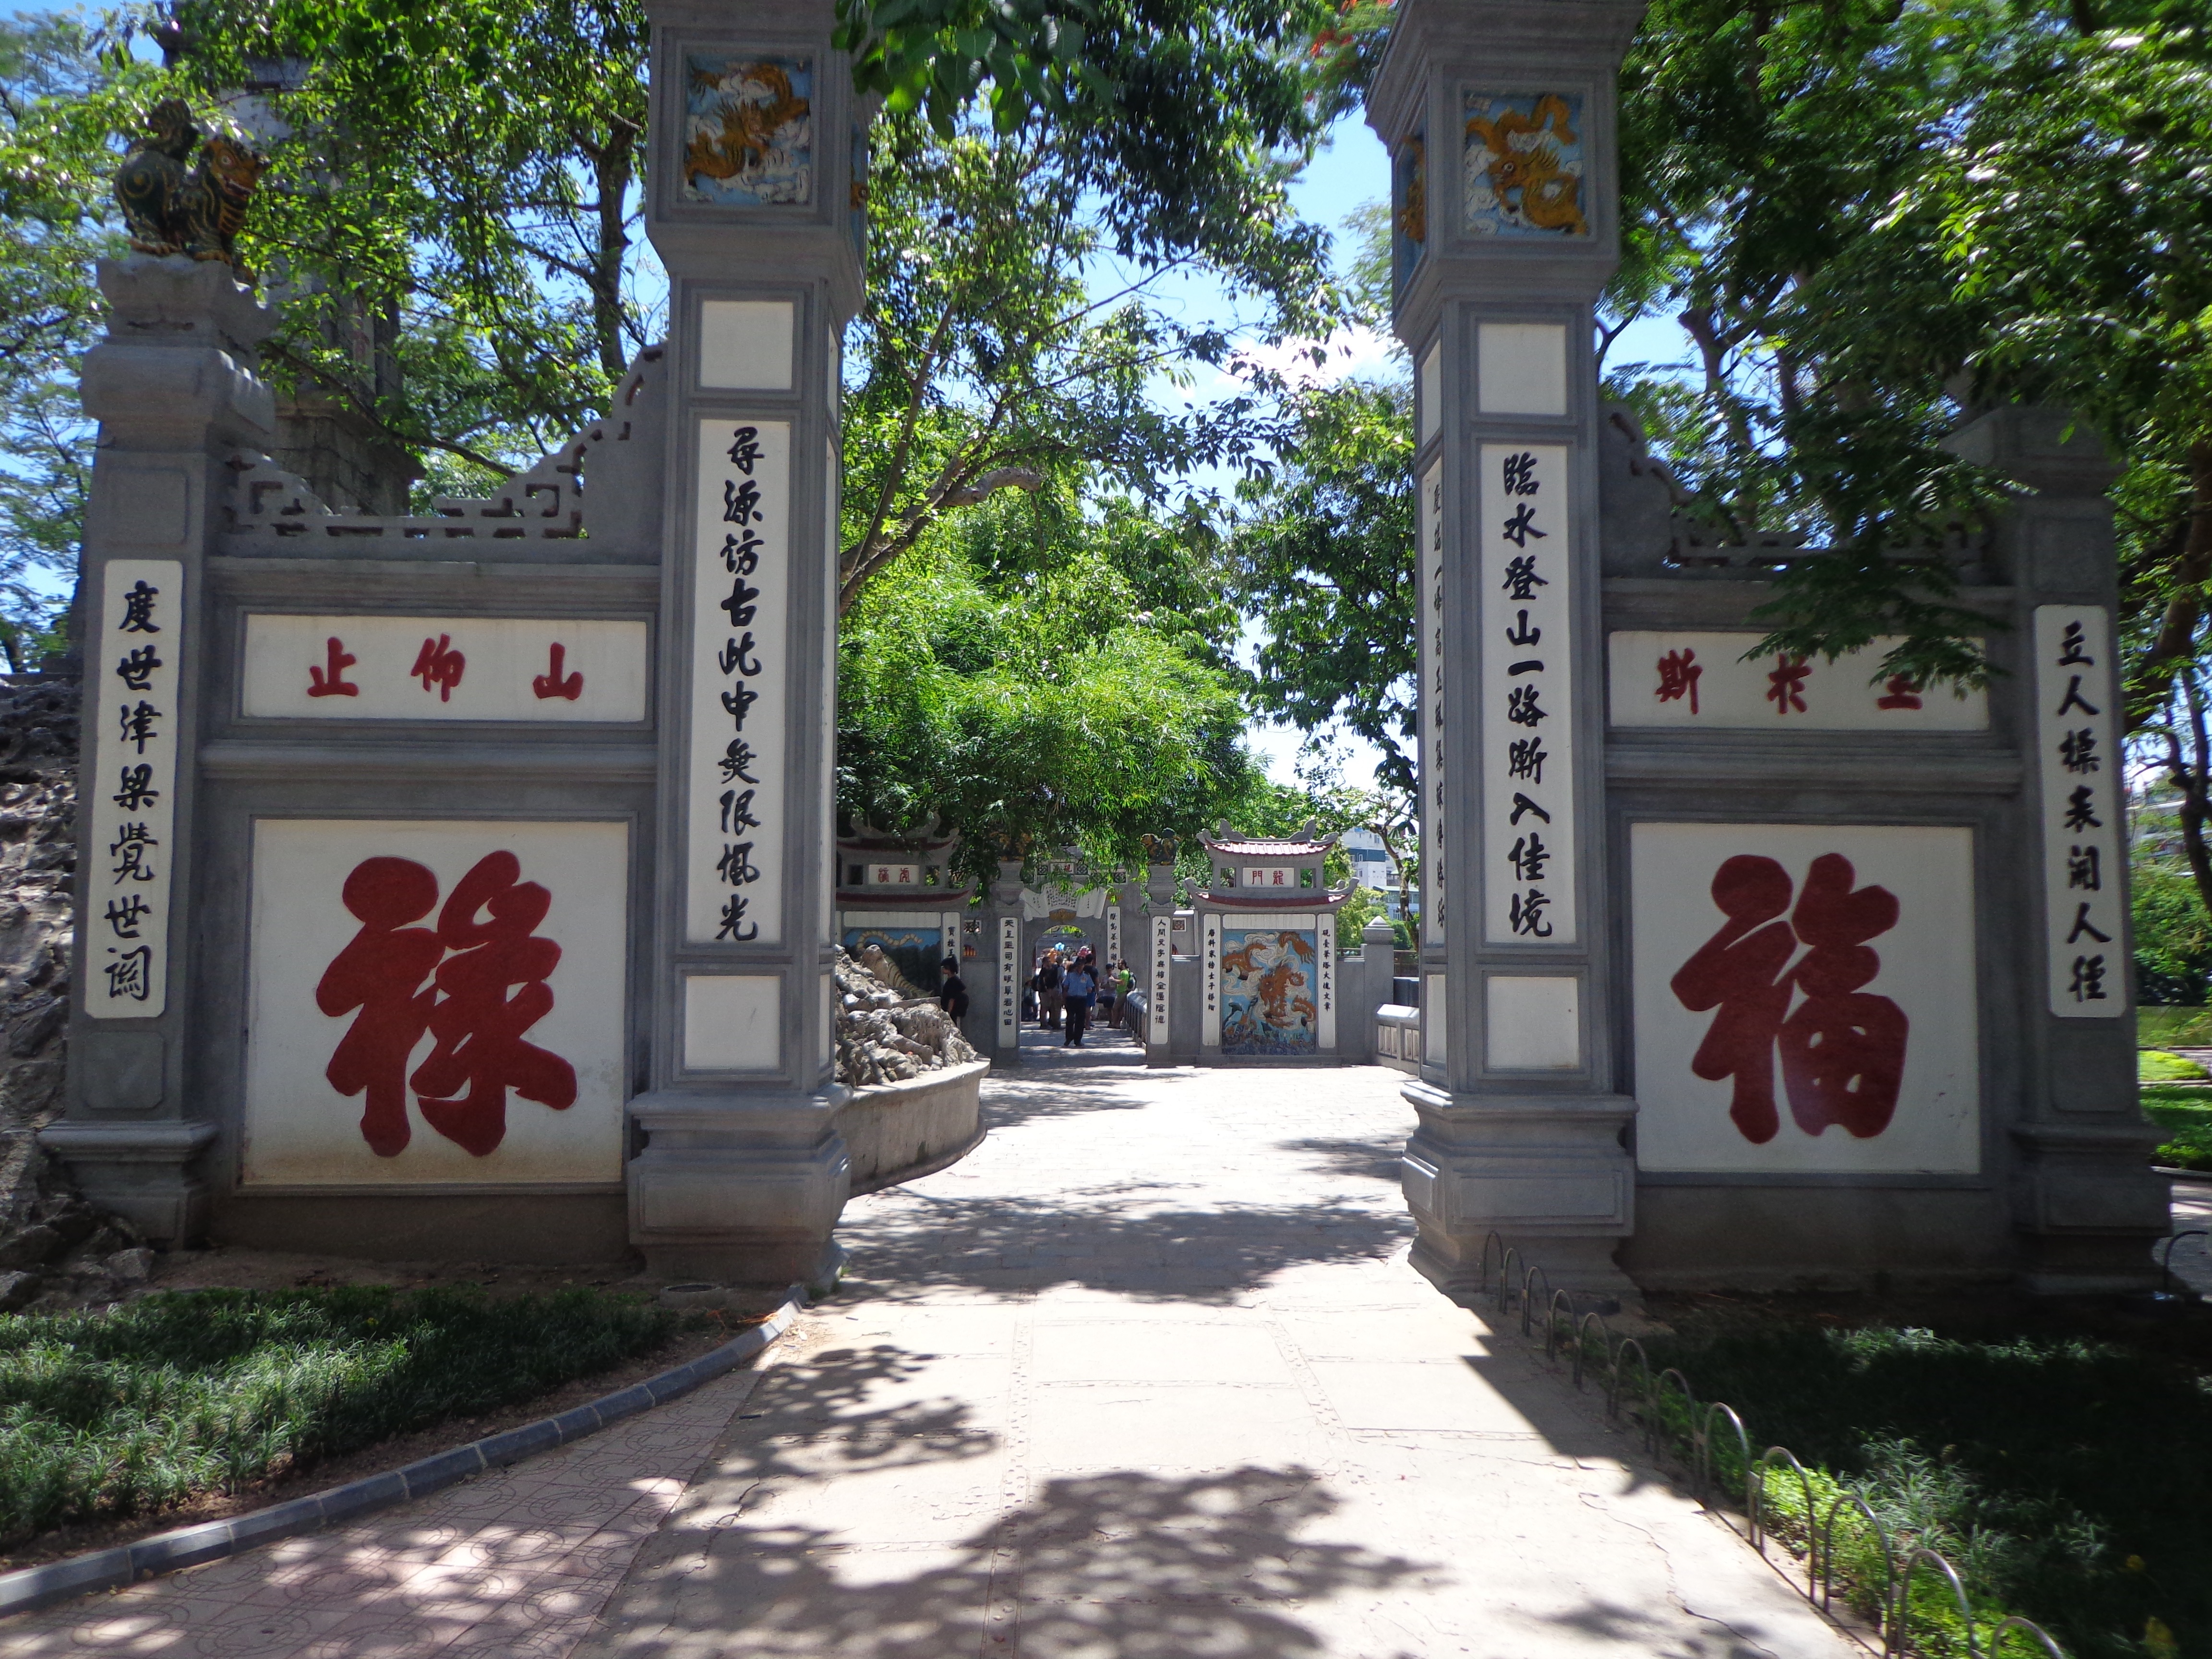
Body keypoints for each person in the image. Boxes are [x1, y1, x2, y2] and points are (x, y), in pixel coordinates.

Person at [1061, 958, 1096, 1046]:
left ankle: (1078, 1040)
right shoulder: (1071, 975)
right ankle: (1068, 1038)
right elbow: (1065, 987)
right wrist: (1064, 1000)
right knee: (1070, 1019)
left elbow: (1091, 987)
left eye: (1082, 965)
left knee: (1080, 1021)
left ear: (1084, 966)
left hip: (1082, 999)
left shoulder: (1087, 976)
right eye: (1079, 964)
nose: (1080, 966)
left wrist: (1090, 989)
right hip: (1071, 999)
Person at [938, 956, 969, 1023]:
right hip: (953, 1011)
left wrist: (948, 1014)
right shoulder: (955, 980)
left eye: (944, 968)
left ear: (948, 969)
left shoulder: (952, 982)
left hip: (952, 1012)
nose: (942, 969)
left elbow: (952, 999)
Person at [1037, 953, 1063, 1030]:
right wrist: (1048, 990)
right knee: (1045, 1007)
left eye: (1050, 961)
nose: (1049, 963)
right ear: (1044, 963)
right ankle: (1044, 1024)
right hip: (1045, 991)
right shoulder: (1044, 971)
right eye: (1048, 961)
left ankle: (1050, 1023)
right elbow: (1044, 982)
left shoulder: (1051, 970)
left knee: (1050, 1007)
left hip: (1048, 990)